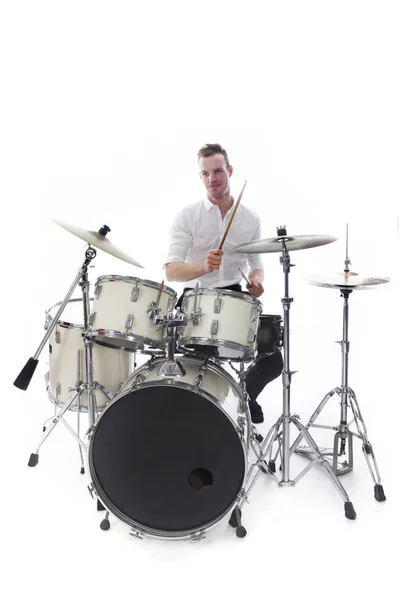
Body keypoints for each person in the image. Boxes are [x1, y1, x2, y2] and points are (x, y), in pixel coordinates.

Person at [164, 143, 283, 423]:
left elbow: (257, 265)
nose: (212, 179)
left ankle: (245, 394)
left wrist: (256, 282)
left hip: (234, 298)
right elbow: (172, 271)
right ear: (200, 177)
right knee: (198, 365)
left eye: (217, 171)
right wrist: (203, 266)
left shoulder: (250, 219)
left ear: (229, 171)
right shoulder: (188, 216)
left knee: (273, 360)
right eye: (205, 174)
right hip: (195, 299)